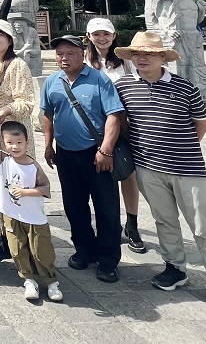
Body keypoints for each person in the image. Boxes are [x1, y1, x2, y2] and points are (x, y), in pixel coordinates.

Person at [114, 32, 206, 317]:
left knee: (203, 225)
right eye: (137, 54)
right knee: (164, 220)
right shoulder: (123, 86)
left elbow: (200, 125)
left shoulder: (185, 87)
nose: (142, 58)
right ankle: (175, 267)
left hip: (188, 168)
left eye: (149, 54)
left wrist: (180, 149)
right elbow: (122, 121)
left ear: (163, 57)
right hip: (148, 167)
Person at [41, 35, 125, 283]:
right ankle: (84, 250)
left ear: (82, 54)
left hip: (96, 152)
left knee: (106, 208)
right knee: (74, 205)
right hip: (66, 153)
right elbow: (48, 114)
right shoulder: (52, 81)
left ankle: (108, 260)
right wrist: (48, 145)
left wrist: (106, 150)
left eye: (70, 53)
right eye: (60, 54)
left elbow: (114, 116)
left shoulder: (99, 79)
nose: (64, 58)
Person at [0, 118, 62, 303]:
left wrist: (25, 192)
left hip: (34, 216)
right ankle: (28, 279)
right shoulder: (3, 160)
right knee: (17, 248)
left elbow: (44, 189)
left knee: (41, 249)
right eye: (10, 142)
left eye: (19, 142)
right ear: (4, 143)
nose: (15, 147)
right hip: (11, 214)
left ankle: (51, 281)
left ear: (27, 142)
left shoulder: (33, 166)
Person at [85, 17, 146, 255]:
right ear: (89, 37)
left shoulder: (125, 62)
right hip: (94, 127)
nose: (102, 38)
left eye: (106, 34)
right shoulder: (84, 61)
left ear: (113, 36)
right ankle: (110, 225)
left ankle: (132, 224)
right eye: (96, 34)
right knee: (101, 178)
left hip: (124, 124)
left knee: (128, 174)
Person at [0, 20, 38, 262]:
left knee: (16, 186)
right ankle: (6, 236)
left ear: (10, 39)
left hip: (13, 136)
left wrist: (6, 110)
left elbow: (26, 101)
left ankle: (26, 241)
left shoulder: (17, 65)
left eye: (0, 34)